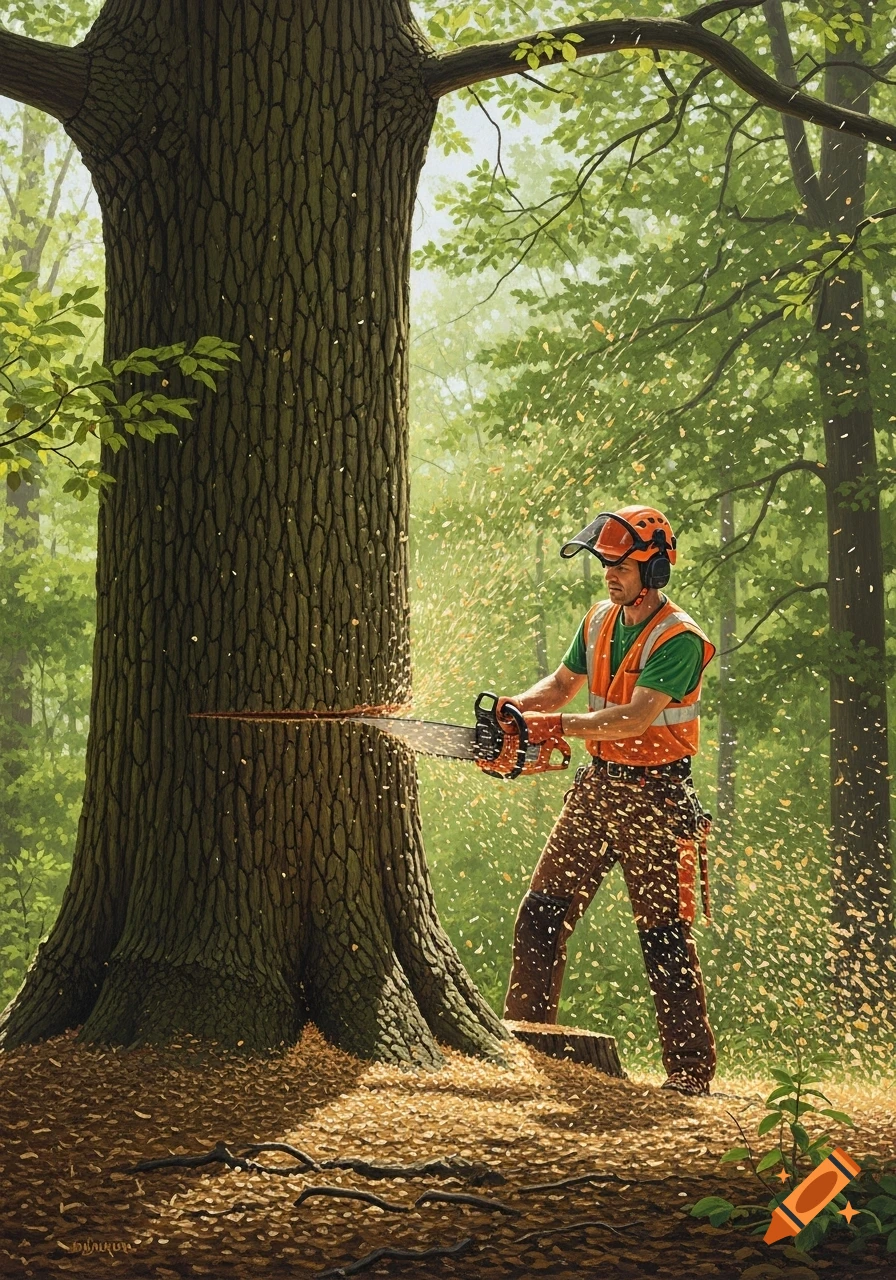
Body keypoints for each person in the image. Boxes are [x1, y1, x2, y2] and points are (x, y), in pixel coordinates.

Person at [501, 505, 717, 1095]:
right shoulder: (599, 620)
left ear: (653, 567)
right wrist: (517, 711)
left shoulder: (680, 639)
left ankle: (690, 1076)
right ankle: (526, 1044)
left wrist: (559, 728)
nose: (607, 575)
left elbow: (634, 717)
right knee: (540, 915)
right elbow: (561, 683)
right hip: (597, 789)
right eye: (605, 564)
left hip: (658, 797)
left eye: (618, 565)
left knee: (663, 939)